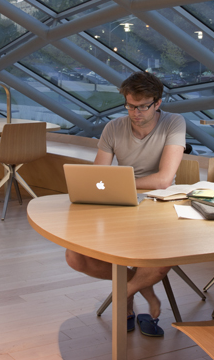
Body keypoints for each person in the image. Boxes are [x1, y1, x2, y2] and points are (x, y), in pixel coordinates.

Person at [65, 71, 186, 337]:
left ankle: (123, 298)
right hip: (119, 203)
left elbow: (164, 180)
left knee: (159, 263)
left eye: (143, 106)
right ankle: (146, 293)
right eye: (131, 106)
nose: (136, 113)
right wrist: (111, 187)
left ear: (158, 103)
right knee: (75, 257)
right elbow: (99, 175)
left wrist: (117, 183)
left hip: (159, 205)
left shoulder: (174, 123)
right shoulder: (113, 128)